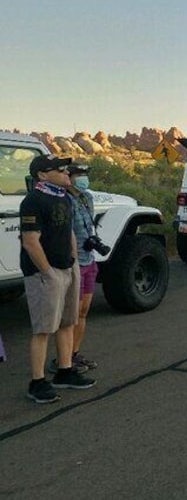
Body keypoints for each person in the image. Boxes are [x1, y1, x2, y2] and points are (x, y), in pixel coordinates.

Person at [20, 154, 96, 404]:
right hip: (45, 274)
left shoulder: (63, 197)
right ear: (42, 174)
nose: (67, 172)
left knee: (66, 323)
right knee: (43, 328)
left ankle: (65, 371)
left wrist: (73, 261)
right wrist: (48, 272)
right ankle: (37, 382)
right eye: (60, 169)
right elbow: (31, 240)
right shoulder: (33, 201)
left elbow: (69, 232)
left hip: (67, 268)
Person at [47, 164, 99, 373]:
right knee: (71, 315)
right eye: (79, 175)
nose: (83, 179)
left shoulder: (87, 198)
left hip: (89, 260)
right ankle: (62, 359)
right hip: (73, 262)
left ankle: (74, 354)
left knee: (83, 311)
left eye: (85, 174)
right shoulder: (63, 200)